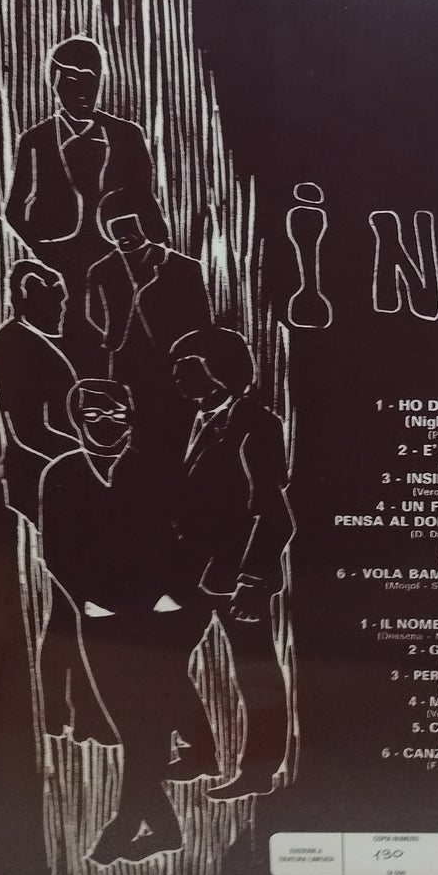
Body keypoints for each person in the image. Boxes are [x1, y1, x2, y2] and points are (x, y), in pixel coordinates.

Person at [39, 379, 219, 865]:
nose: (107, 425)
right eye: (95, 416)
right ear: (77, 421)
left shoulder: (154, 468)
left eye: (117, 415)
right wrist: (87, 600)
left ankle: (125, 826)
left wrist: (172, 593)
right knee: (131, 718)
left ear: (131, 418)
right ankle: (165, 828)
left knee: (145, 725)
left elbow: (194, 533)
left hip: (159, 612)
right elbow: (55, 551)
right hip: (100, 615)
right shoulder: (61, 473)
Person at [171, 328, 295, 799]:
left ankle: (259, 770)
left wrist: (252, 580)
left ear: (219, 370)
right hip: (193, 571)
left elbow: (274, 513)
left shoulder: (257, 424)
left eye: (188, 368)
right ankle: (200, 752)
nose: (177, 377)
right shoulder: (195, 420)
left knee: (255, 672)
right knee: (161, 658)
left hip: (239, 574)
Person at [5, 36, 167, 368]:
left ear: (100, 82)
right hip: (65, 261)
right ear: (54, 83)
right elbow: (14, 210)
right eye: (70, 81)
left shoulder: (127, 135)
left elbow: (144, 197)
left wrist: (158, 247)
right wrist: (46, 250)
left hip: (120, 257)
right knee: (75, 342)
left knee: (128, 347)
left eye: (89, 81)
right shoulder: (35, 140)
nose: (81, 91)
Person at [86, 192, 211, 460]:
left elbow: (201, 325)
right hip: (129, 374)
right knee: (139, 443)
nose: (122, 234)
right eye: (114, 227)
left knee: (179, 442)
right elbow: (96, 320)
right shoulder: (103, 271)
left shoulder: (185, 268)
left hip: (176, 372)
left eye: (129, 224)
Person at [0, 261, 77, 526]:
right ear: (28, 300)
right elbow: (29, 431)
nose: (62, 309)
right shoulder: (17, 344)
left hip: (47, 473)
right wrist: (83, 457)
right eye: (55, 301)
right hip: (37, 475)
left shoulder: (30, 341)